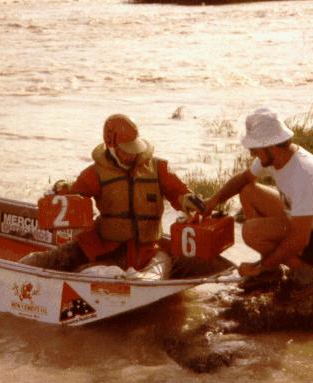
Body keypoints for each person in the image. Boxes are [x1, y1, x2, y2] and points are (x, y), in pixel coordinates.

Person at [20, 113, 204, 272]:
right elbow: (74, 193)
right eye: (126, 150)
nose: (132, 155)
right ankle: (19, 269)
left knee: (102, 271)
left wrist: (187, 198)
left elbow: (177, 190)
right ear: (111, 146)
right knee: (54, 260)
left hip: (146, 250)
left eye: (134, 148)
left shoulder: (158, 168)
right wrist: (60, 190)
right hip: (101, 244)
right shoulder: (95, 173)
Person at [205, 107, 313, 293]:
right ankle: (272, 271)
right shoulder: (275, 157)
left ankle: (305, 277)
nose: (252, 154)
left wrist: (260, 266)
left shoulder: (303, 173)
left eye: (255, 149)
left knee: (251, 231)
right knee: (248, 191)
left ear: (272, 146)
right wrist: (213, 201)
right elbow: (243, 179)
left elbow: (299, 239)